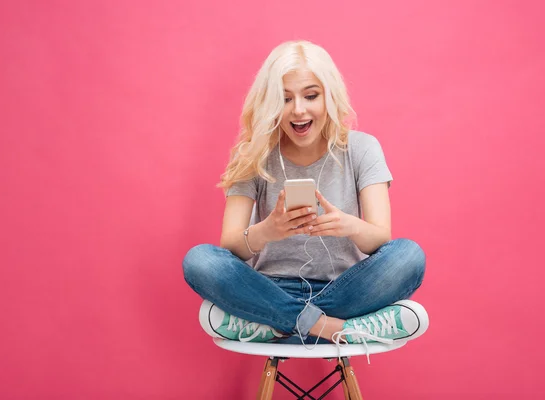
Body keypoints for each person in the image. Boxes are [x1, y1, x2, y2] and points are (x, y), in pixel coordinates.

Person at [183, 40, 429, 349]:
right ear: (270, 103)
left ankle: (275, 326)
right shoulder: (253, 154)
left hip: (344, 289)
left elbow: (381, 239)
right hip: (270, 288)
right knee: (200, 260)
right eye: (285, 99)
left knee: (409, 255)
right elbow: (231, 245)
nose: (298, 109)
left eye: (310, 95)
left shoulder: (363, 148)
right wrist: (267, 231)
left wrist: (349, 226)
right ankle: (334, 328)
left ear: (329, 96)